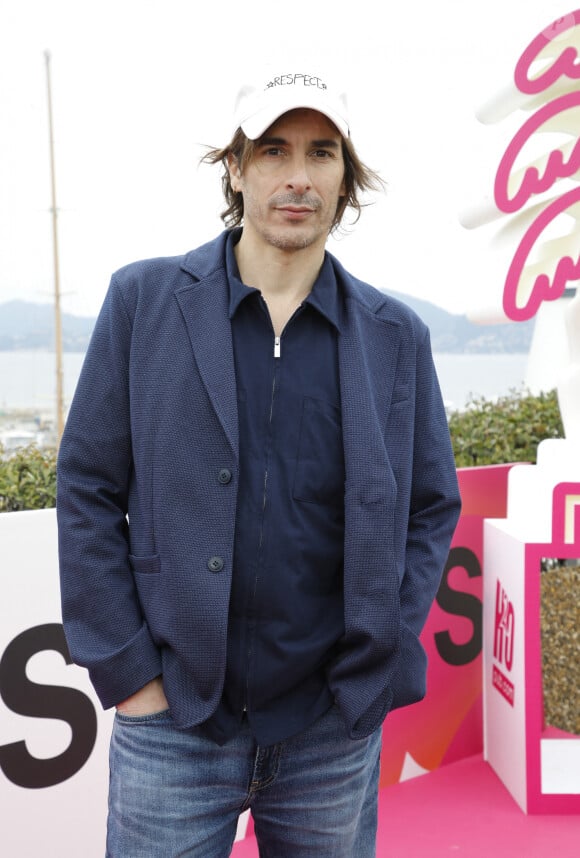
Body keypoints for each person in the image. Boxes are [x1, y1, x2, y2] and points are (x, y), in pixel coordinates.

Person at [57, 65, 462, 858]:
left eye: (321, 153)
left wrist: (374, 663)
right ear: (235, 168)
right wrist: (132, 677)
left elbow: (428, 507)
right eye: (272, 151)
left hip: (331, 733)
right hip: (174, 724)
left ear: (346, 179)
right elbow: (88, 488)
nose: (297, 177)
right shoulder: (142, 302)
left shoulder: (395, 337)